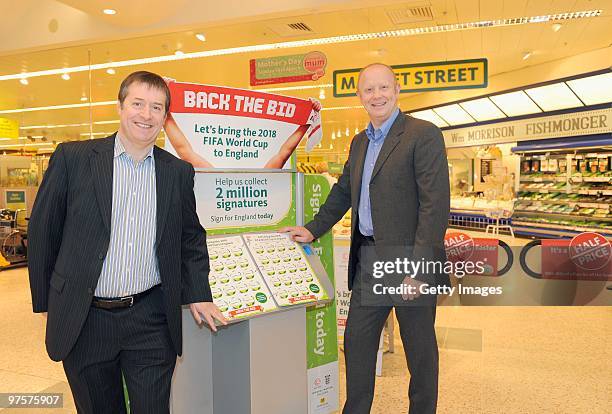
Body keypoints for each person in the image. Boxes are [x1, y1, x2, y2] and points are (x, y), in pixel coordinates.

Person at [28, 71, 227, 414]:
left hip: (150, 316)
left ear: (165, 117)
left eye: (156, 107)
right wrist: (47, 302)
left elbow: (190, 238)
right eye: (137, 104)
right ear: (120, 107)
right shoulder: (73, 159)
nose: (146, 115)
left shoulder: (176, 172)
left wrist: (198, 293)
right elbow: (44, 231)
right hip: (84, 318)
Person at [281, 63, 450, 413]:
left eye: (383, 88)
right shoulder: (359, 142)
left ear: (397, 89)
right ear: (360, 96)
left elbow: (435, 207)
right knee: (356, 341)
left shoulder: (423, 134)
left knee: (419, 351)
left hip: (409, 261)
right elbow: (343, 192)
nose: (377, 96)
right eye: (369, 90)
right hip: (370, 261)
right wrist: (313, 228)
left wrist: (419, 271)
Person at [164, 98, 321, 169]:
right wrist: (306, 122)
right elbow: (283, 152)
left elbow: (185, 152)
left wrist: (308, 117)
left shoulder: (215, 177)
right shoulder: (260, 180)